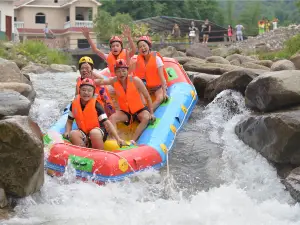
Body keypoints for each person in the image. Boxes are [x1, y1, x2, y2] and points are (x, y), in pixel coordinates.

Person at [95, 59, 155, 144]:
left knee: (146, 117)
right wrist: (90, 82)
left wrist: (151, 113)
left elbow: (148, 97)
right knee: (112, 117)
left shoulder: (135, 80)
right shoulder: (114, 81)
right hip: (126, 112)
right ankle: (115, 141)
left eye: (123, 71)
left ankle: (133, 140)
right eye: (118, 71)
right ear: (115, 73)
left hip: (139, 110)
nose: (121, 73)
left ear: (127, 71)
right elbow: (101, 81)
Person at [63, 78, 126, 149]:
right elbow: (69, 121)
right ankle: (83, 153)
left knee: (94, 133)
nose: (86, 92)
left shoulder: (96, 105)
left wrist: (118, 138)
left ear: (93, 93)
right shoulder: (74, 104)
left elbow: (107, 123)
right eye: (83, 90)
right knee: (73, 134)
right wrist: (67, 131)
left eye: (89, 90)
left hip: (99, 132)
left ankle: (99, 154)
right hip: (84, 132)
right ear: (79, 91)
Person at [132, 36, 168, 111]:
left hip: (157, 86)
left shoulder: (156, 59)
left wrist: (164, 92)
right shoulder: (138, 61)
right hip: (146, 86)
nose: (142, 48)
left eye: (144, 45)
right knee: (136, 86)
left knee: (160, 98)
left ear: (149, 46)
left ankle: (148, 111)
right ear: (138, 50)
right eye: (140, 47)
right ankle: (142, 107)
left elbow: (162, 77)